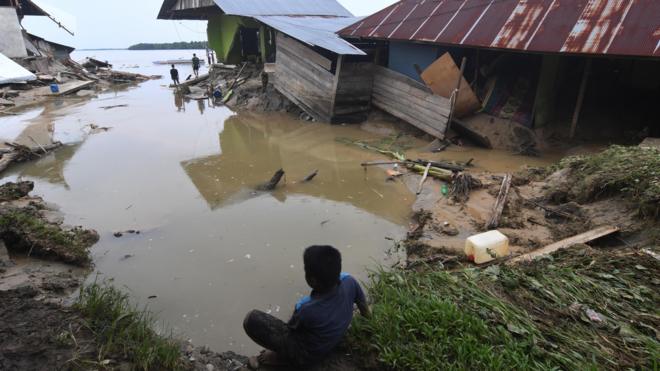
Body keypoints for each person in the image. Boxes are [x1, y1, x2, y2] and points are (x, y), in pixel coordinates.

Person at [243, 245, 370, 369]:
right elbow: (364, 307)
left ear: (312, 280)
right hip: (335, 337)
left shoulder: (305, 308)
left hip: (308, 355)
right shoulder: (350, 281)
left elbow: (290, 332)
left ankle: (280, 359)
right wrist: (368, 323)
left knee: (251, 319)